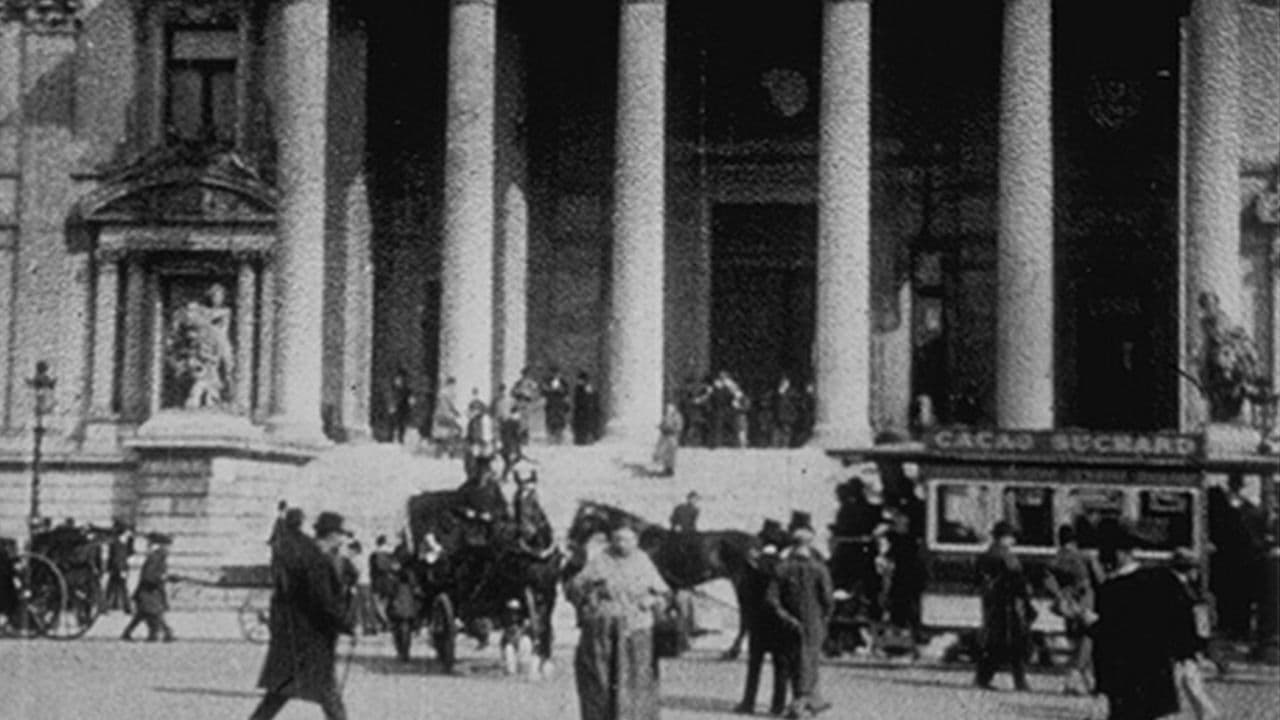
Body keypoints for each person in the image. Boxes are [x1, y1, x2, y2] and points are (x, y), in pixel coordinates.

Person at [1088, 521, 1198, 720]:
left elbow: (1106, 643)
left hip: (1124, 684)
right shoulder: (1162, 579)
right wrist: (1187, 655)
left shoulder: (1109, 592)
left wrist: (1101, 688)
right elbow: (1182, 621)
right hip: (1158, 678)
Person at [249, 511, 355, 720]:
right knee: (327, 693)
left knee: (280, 694)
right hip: (311, 639)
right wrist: (345, 623)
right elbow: (322, 601)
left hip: (295, 637)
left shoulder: (304, 554)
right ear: (332, 535)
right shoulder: (317, 560)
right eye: (341, 534)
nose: (343, 539)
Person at [566, 520, 668, 720]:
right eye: (617, 539)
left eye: (627, 539)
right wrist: (590, 596)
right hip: (602, 633)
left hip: (636, 632)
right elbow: (574, 587)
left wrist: (652, 600)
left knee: (636, 683)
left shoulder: (643, 562)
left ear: (636, 541)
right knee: (601, 685)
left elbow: (664, 594)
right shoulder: (600, 560)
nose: (622, 544)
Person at [766, 512, 833, 719]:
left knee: (794, 663)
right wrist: (824, 618)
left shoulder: (782, 568)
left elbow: (771, 599)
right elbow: (828, 600)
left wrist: (785, 617)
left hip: (788, 625)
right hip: (814, 622)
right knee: (810, 661)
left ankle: (805, 701)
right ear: (809, 545)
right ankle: (802, 703)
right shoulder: (820, 569)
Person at [735, 519, 791, 716]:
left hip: (757, 622)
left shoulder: (751, 567)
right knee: (780, 666)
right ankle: (778, 705)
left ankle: (748, 702)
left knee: (754, 665)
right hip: (779, 622)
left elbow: (744, 596)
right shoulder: (784, 567)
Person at [974, 521, 1033, 691]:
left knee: (997, 643)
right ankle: (1018, 681)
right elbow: (1019, 581)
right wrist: (1027, 603)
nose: (1013, 540)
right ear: (1004, 538)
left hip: (993, 604)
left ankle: (984, 678)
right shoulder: (1006, 556)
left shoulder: (986, 555)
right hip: (1008, 605)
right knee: (1013, 643)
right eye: (1011, 537)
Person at [1044, 524, 1102, 695]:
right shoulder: (1085, 557)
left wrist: (1061, 596)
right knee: (1087, 641)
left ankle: (1087, 682)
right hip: (1087, 603)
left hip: (1068, 605)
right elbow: (1100, 580)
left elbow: (1048, 583)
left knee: (1078, 642)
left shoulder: (1054, 560)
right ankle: (1076, 680)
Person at [121, 532, 174, 642]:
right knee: (154, 612)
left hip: (148, 589)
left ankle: (131, 633)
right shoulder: (157, 556)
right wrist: (161, 578)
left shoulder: (156, 555)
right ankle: (163, 633)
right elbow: (149, 575)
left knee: (143, 613)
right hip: (150, 589)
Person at [103, 519, 134, 614]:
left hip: (117, 569)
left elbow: (122, 556)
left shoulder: (120, 542)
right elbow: (118, 558)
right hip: (118, 569)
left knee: (112, 589)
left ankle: (106, 607)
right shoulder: (119, 542)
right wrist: (122, 570)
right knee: (121, 589)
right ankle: (127, 608)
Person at [431, 376, 463, 458]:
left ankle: (446, 450)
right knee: (456, 430)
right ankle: (451, 450)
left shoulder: (445, 392)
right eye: (453, 384)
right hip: (443, 416)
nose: (454, 386)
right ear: (450, 384)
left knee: (450, 432)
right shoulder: (445, 393)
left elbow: (450, 405)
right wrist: (452, 413)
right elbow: (446, 405)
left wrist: (455, 412)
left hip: (442, 415)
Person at [652, 403, 684, 477]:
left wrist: (671, 429)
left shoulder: (677, 417)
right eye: (667, 409)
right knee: (664, 453)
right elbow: (663, 424)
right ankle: (665, 468)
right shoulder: (666, 416)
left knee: (671, 454)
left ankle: (670, 470)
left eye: (670, 408)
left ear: (674, 408)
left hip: (672, 437)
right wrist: (660, 426)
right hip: (664, 436)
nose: (668, 410)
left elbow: (679, 427)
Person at [386, 366, 415, 444]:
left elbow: (411, 400)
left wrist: (411, 402)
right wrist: (391, 406)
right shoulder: (392, 389)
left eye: (401, 379)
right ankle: (390, 439)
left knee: (402, 425)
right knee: (393, 424)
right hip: (395, 409)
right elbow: (390, 398)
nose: (400, 381)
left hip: (403, 409)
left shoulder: (407, 389)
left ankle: (400, 439)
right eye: (398, 379)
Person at [542, 365, 571, 443]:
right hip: (551, 404)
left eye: (557, 373)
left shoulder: (563, 382)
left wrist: (561, 390)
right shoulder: (547, 381)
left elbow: (567, 392)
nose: (555, 374)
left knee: (560, 420)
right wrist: (548, 390)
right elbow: (543, 392)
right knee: (550, 420)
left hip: (560, 404)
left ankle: (559, 436)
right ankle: (551, 436)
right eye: (554, 373)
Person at [572, 371, 600, 445]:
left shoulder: (588, 387)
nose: (579, 381)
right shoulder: (578, 388)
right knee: (579, 426)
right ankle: (579, 439)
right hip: (579, 411)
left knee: (585, 426)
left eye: (580, 380)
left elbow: (592, 398)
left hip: (586, 411)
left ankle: (586, 439)